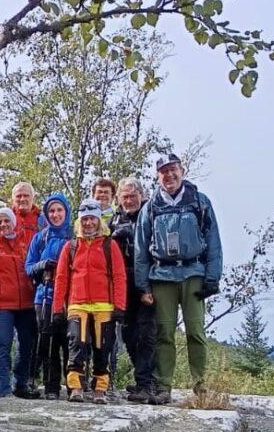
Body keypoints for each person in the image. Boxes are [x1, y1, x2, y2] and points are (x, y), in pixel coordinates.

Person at [134, 153, 223, 402]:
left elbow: (214, 241)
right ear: (158, 176)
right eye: (164, 171)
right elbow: (141, 250)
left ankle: (201, 387)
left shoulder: (199, 202)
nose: (169, 175)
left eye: (173, 169)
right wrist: (143, 286)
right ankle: (163, 388)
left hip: (194, 274)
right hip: (162, 276)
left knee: (195, 331)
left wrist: (212, 277)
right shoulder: (151, 207)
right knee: (164, 333)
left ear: (182, 170)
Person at [52, 200, 127, 404]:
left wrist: (120, 306)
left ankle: (100, 389)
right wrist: (58, 308)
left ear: (99, 220)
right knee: (76, 346)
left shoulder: (109, 245)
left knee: (102, 349)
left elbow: (119, 277)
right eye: (84, 219)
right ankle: (75, 387)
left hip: (104, 306)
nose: (88, 223)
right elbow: (61, 278)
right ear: (79, 221)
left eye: (92, 219)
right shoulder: (71, 246)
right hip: (77, 305)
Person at [0, 207, 39, 399]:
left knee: (27, 345)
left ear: (13, 222)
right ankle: (3, 389)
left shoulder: (25, 243)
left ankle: (21, 384)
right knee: (3, 345)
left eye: (6, 221)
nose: (2, 225)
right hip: (1, 306)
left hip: (26, 304)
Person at [109, 177, 160, 403]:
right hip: (123, 284)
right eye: (125, 197)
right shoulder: (114, 220)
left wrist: (133, 235)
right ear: (118, 199)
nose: (129, 200)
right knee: (128, 334)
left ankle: (148, 383)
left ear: (141, 195)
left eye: (133, 196)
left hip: (148, 282)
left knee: (147, 334)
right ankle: (142, 380)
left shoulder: (152, 215)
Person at [25, 194, 73, 400]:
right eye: (51, 211)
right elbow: (28, 268)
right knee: (48, 341)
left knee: (71, 341)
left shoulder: (74, 237)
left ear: (66, 212)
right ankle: (51, 386)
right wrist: (42, 265)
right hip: (44, 296)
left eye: (59, 210)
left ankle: (74, 384)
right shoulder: (40, 237)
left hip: (71, 297)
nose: (55, 215)